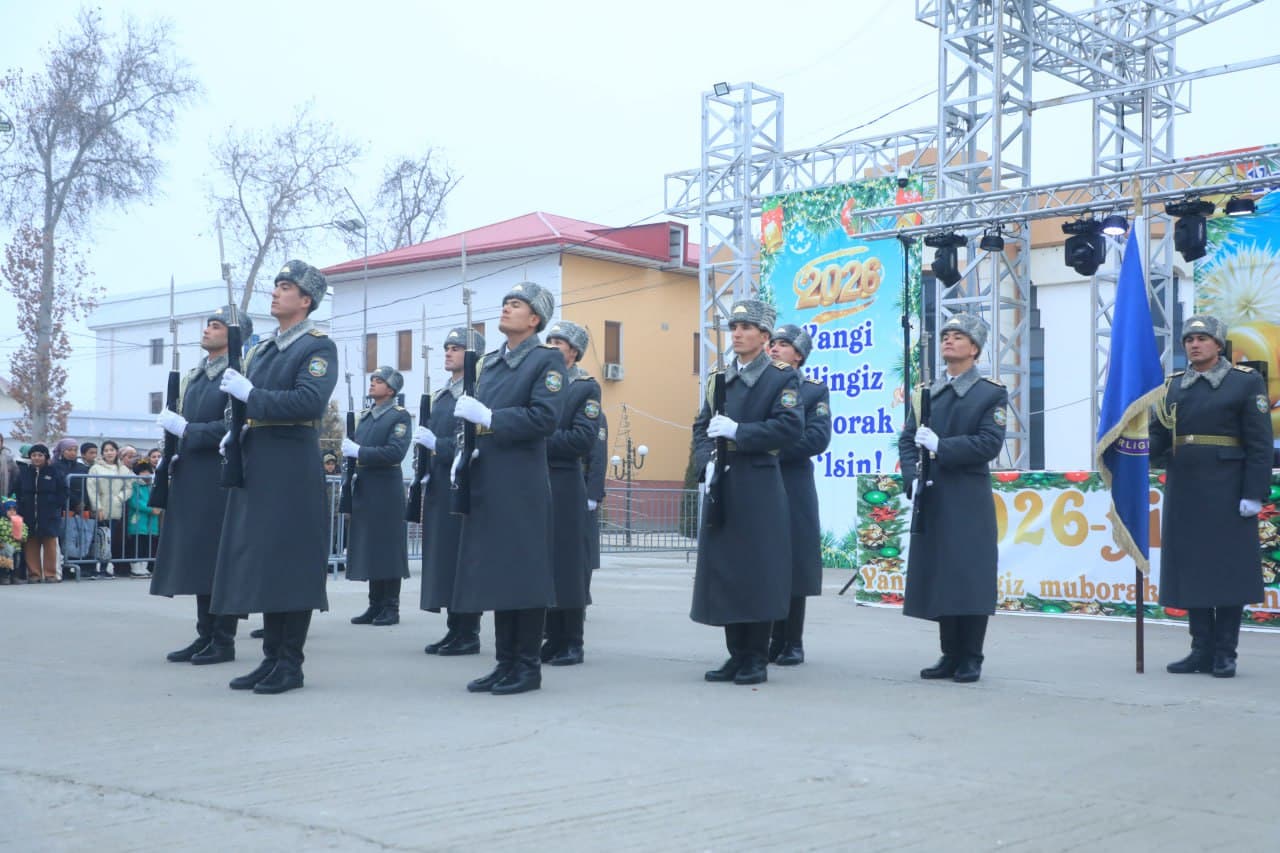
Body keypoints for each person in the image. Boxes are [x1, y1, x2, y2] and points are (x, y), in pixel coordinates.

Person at [212, 259, 338, 695]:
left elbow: (307, 402)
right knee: (266, 560)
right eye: (277, 285)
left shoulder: (317, 348)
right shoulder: (262, 349)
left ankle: (290, 663)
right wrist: (238, 427)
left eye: (287, 287)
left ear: (306, 300)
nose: (276, 292)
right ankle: (271, 660)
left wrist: (252, 396)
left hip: (291, 460)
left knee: (291, 561)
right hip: (260, 457)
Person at [453, 282, 565, 695]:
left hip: (521, 480)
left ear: (534, 318)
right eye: (504, 303)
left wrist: (491, 417)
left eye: (515, 305)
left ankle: (527, 665)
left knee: (525, 572)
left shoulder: (545, 360)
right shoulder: (487, 364)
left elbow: (545, 418)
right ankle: (504, 662)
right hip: (489, 475)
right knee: (500, 573)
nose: (505, 309)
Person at [1152, 314, 1273, 678]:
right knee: (1193, 570)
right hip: (1185, 487)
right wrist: (1131, 450)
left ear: (1219, 344)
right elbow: (1159, 435)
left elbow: (1260, 443)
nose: (1195, 344)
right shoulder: (1173, 387)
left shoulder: (1244, 384)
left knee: (1227, 570)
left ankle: (1225, 652)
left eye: (1203, 338)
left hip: (1228, 488)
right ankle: (1200, 649)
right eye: (1189, 339)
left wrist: (1254, 492)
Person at [691, 299, 803, 686]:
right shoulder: (719, 378)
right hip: (724, 477)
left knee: (757, 569)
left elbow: (789, 428)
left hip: (757, 477)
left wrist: (740, 431)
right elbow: (701, 425)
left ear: (764, 336)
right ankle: (735, 654)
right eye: (733, 326)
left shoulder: (781, 378)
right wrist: (704, 460)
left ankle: (755, 655)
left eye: (746, 327)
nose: (736, 333)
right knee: (727, 569)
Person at [898, 313, 1008, 684]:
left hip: (966, 493)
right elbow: (908, 439)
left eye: (958, 336)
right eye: (946, 335)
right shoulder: (927, 391)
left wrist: (942, 446)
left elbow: (988, 444)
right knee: (942, 573)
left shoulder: (990, 393)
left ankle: (971, 656)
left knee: (969, 574)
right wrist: (911, 475)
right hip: (932, 492)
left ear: (974, 349)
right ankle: (949, 653)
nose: (948, 341)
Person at [151, 306, 248, 665]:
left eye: (217, 325)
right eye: (207, 324)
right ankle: (204, 634)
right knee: (199, 558)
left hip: (219, 475)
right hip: (193, 473)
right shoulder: (197, 376)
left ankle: (224, 639)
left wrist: (187, 430)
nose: (207, 330)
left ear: (234, 335)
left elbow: (233, 427)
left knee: (219, 559)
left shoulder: (235, 375)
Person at [416, 327, 485, 656]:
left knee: (462, 558)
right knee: (444, 558)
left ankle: (468, 631)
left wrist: (437, 446)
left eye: (456, 348)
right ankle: (453, 628)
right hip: (440, 484)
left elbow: (468, 443)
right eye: (447, 347)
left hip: (463, 483)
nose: (448, 352)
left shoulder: (474, 393)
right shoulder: (444, 394)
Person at [767, 324, 832, 666]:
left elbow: (817, 438)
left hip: (792, 483)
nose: (774, 348)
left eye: (783, 345)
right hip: (758, 483)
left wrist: (768, 448)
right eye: (773, 343)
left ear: (800, 355)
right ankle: (766, 640)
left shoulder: (812, 392)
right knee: (765, 562)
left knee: (794, 564)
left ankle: (792, 641)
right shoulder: (760, 386)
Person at [540, 320, 601, 666]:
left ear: (574, 351)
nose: (551, 345)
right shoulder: (540, 383)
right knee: (544, 561)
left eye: (558, 341)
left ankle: (572, 640)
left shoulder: (584, 388)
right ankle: (551, 637)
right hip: (537, 479)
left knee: (568, 563)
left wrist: (537, 440)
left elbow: (582, 438)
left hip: (564, 480)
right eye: (548, 339)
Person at [343, 365, 413, 626]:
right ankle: (375, 605)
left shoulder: (399, 416)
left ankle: (390, 607)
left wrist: (359, 452)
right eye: (372, 379)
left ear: (391, 389)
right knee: (371, 547)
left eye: (379, 380)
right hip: (365, 486)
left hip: (385, 487)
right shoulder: (365, 416)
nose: (372, 384)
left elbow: (395, 452)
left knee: (388, 548)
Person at [15, 444, 67, 583]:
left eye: (40, 455)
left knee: (49, 543)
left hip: (49, 513)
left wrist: (55, 504)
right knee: (31, 543)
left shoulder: (54, 472)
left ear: (46, 457)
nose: (37, 458)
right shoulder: (24, 472)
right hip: (29, 513)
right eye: (34, 455)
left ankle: (50, 574)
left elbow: (63, 491)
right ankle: (34, 574)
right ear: (30, 457)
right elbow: (17, 491)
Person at [88, 439, 132, 579]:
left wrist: (119, 499)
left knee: (109, 539)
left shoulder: (123, 469)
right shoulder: (95, 468)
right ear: (102, 453)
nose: (109, 453)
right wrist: (97, 507)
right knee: (98, 538)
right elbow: (91, 488)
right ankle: (94, 568)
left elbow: (129, 487)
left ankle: (105, 567)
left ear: (116, 452)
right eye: (106, 450)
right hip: (100, 507)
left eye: (111, 450)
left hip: (115, 508)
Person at [584, 410, 607, 595]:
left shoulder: (595, 414)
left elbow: (598, 455)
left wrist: (593, 494)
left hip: (583, 488)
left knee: (585, 547)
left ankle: (583, 595)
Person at [125, 460, 158, 577]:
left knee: (147, 544)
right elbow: (135, 502)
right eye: (143, 471)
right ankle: (135, 567)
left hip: (151, 521)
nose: (146, 474)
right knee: (137, 543)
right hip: (138, 520)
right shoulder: (135, 485)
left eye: (148, 471)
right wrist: (150, 509)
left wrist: (157, 508)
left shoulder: (152, 486)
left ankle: (144, 566)